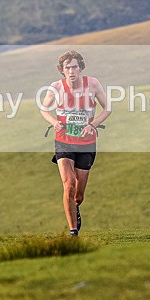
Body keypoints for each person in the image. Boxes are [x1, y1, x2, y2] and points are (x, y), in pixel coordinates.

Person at [40, 51, 111, 236]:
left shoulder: (93, 84)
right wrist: (54, 122)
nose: (71, 71)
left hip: (86, 143)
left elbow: (107, 108)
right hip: (64, 141)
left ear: (80, 68)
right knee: (69, 184)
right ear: (62, 70)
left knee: (78, 195)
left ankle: (75, 206)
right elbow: (43, 108)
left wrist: (92, 125)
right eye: (67, 68)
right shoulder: (56, 87)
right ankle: (73, 232)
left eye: (74, 67)